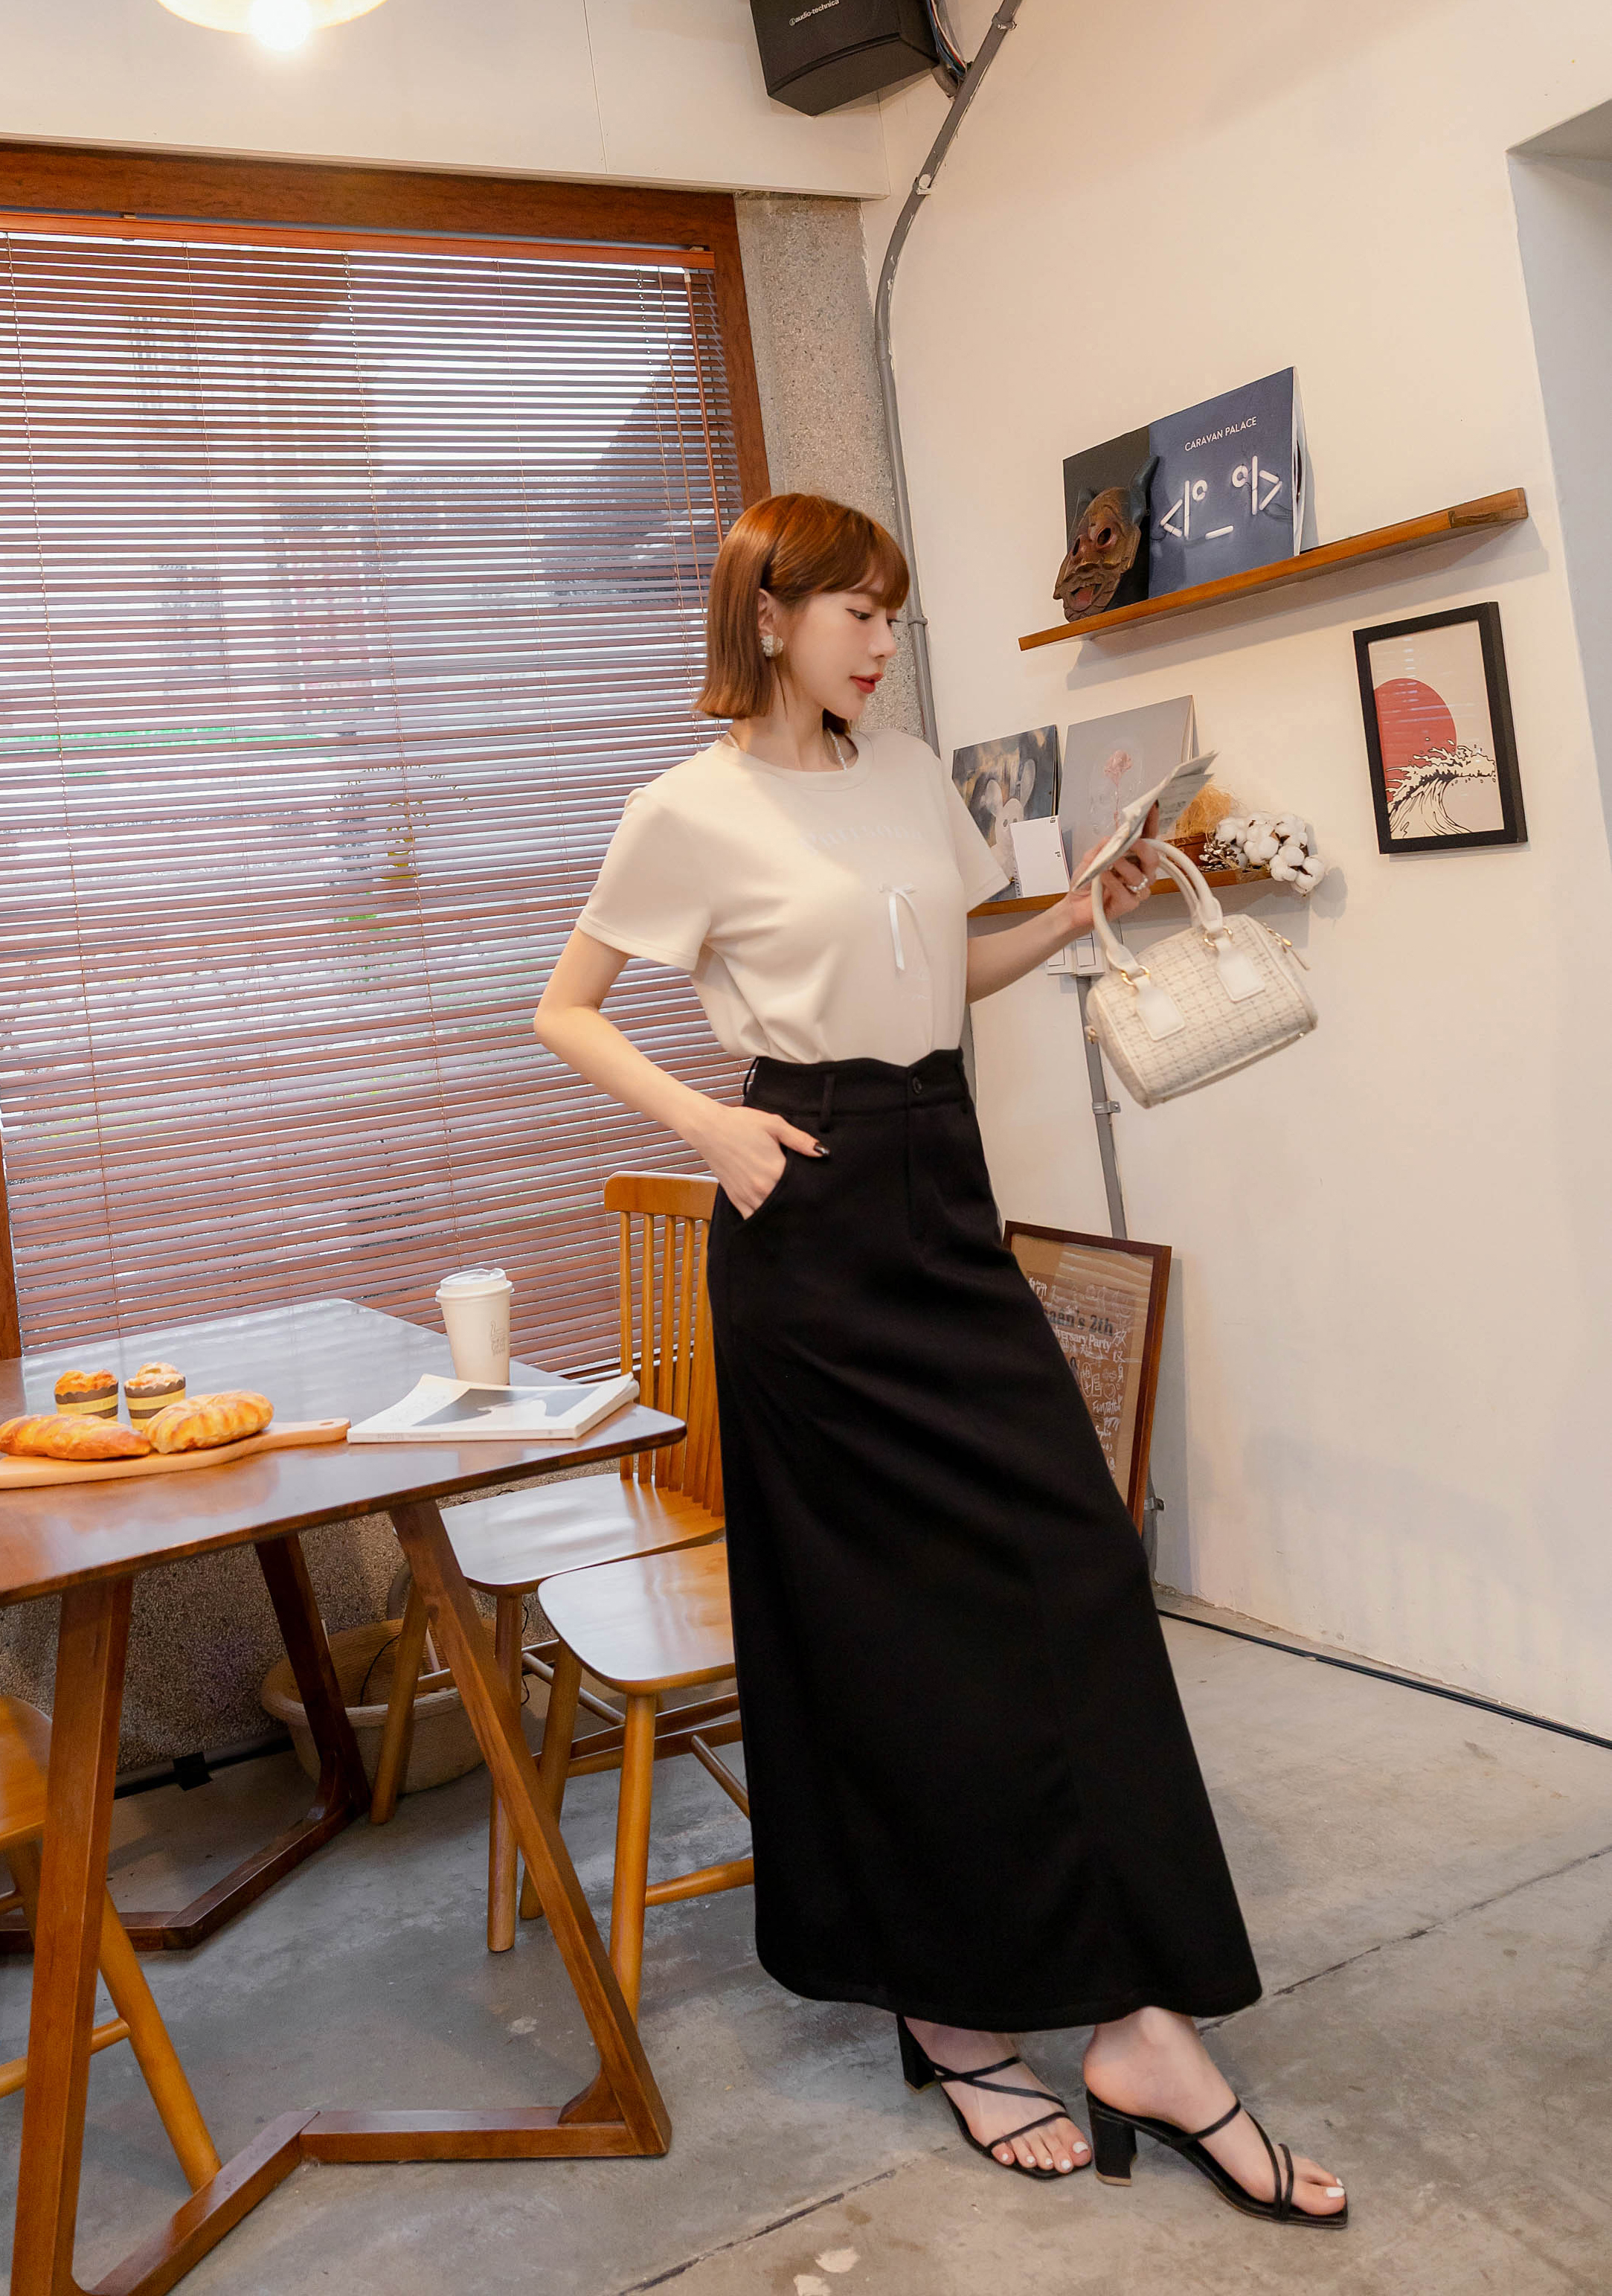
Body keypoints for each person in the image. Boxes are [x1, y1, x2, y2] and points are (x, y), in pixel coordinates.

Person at [534, 494, 1346, 2228]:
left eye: (888, 611)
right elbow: (566, 1005)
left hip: (942, 1182)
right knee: (880, 1634)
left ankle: (1137, 2019)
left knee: (1072, 1573)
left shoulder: (903, 773)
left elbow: (947, 967)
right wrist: (707, 1128)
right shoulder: (686, 808)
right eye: (852, 608)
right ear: (766, 615)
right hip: (807, 1221)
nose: (878, 639)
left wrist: (1070, 911)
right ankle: (951, 2007)